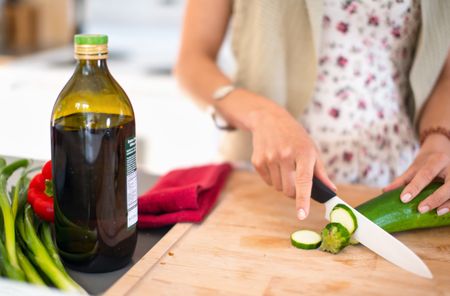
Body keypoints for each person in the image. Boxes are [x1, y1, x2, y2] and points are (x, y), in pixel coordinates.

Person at [175, 0, 450, 221]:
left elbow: (445, 73)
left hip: (396, 173)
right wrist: (261, 114)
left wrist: (440, 138)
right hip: (266, 174)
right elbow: (192, 61)